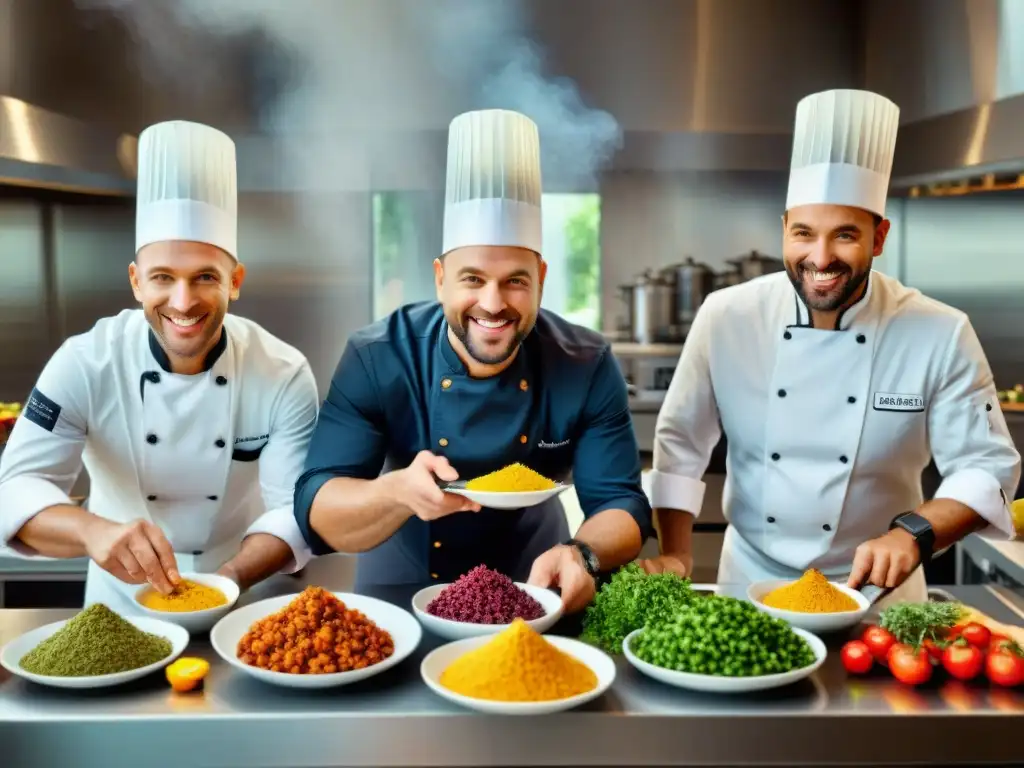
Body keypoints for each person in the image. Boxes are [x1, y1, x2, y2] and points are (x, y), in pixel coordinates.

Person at [640, 89, 1021, 603]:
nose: (820, 257)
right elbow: (681, 445)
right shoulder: (727, 316)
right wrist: (680, 554)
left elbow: (987, 467)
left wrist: (913, 534)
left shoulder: (940, 331)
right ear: (783, 231)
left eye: (845, 235)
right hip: (750, 581)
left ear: (879, 236)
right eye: (803, 233)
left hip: (881, 594)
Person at [294, 108, 651, 613]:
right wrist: (396, 491)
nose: (492, 303)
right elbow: (317, 507)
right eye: (472, 279)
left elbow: (620, 503)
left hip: (537, 586)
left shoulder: (585, 364)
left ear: (541, 277)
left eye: (515, 281)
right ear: (440, 277)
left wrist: (583, 553)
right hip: (400, 594)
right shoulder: (378, 356)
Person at [0, 120, 319, 610]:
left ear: (235, 280)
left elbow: (293, 511)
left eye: (205, 277)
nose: (183, 301)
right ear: (135, 281)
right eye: (162, 277)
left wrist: (225, 580)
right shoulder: (85, 362)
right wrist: (91, 532)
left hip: (246, 596)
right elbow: (13, 490)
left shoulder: (283, 372)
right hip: (120, 604)